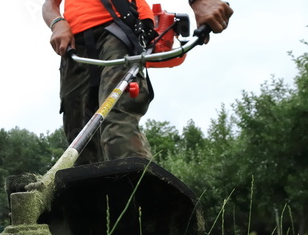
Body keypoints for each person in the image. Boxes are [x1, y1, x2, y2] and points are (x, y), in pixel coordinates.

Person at [42, 0, 233, 165]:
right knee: (79, 142)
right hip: (74, 45)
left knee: (116, 121)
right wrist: (57, 23)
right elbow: (50, 4)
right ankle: (95, 205)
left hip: (117, 30)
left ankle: (140, 198)